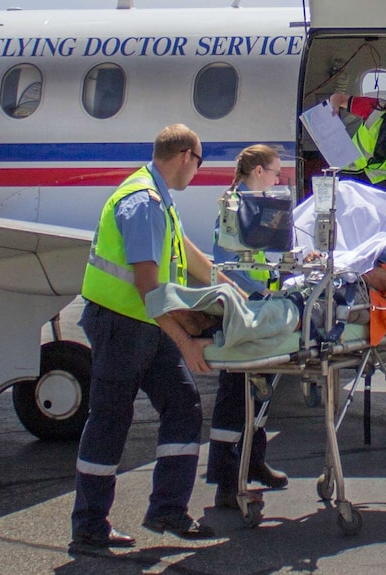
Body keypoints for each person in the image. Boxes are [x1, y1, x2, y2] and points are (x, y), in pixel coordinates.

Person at [69, 124, 245, 553]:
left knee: (183, 407)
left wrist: (234, 290)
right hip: (122, 325)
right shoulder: (144, 202)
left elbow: (183, 249)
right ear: (185, 155)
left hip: (145, 324)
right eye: (200, 162)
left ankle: (168, 509)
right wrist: (186, 340)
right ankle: (89, 526)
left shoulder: (157, 197)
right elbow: (149, 288)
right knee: (110, 419)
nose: (198, 172)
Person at [208, 144, 289, 510]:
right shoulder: (234, 208)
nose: (278, 178)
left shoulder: (257, 207)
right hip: (243, 310)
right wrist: (261, 292)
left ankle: (254, 461)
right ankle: (226, 480)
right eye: (275, 172)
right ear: (258, 172)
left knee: (260, 390)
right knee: (235, 396)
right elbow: (228, 266)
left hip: (259, 305)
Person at [328, 86, 386, 197]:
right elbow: (337, 98)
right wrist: (334, 108)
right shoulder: (374, 109)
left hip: (379, 181)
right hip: (349, 171)